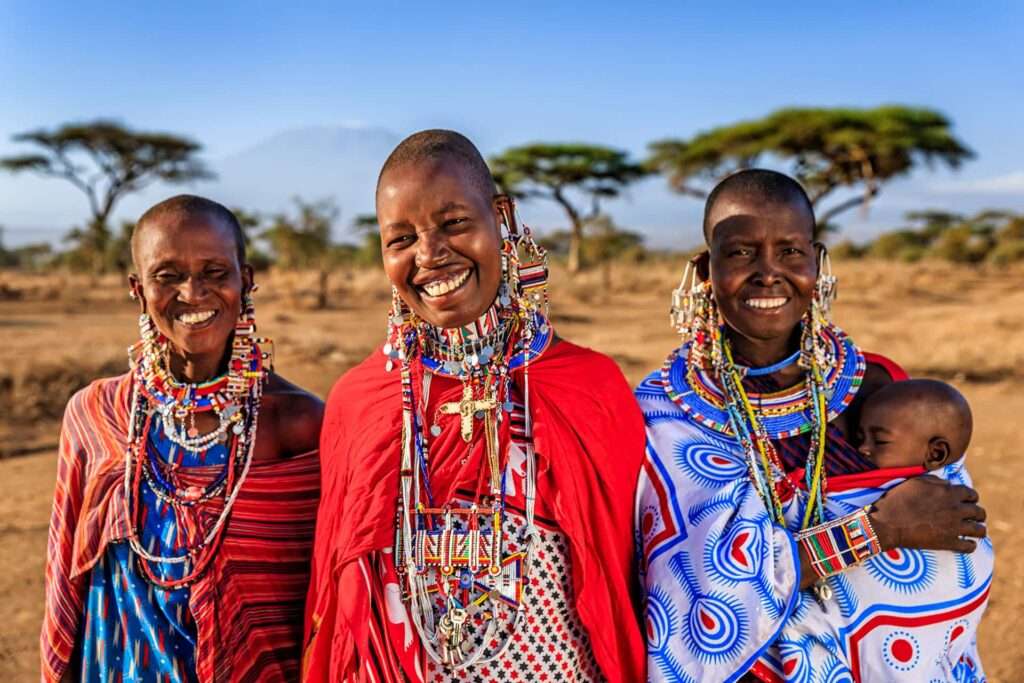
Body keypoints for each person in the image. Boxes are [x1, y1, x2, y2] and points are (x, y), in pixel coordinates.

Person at [303, 130, 646, 683]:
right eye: (401, 239)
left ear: (501, 217)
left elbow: (625, 585)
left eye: (454, 223)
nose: (430, 255)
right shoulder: (358, 403)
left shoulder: (589, 387)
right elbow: (340, 607)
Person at [635, 169, 992, 682]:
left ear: (818, 261)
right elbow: (692, 600)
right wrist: (877, 530)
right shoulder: (664, 412)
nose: (768, 273)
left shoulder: (879, 387)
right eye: (739, 253)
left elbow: (952, 523)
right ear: (704, 269)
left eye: (790, 251)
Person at [41, 195, 324, 682]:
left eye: (215, 271)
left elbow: (327, 601)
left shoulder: (298, 423)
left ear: (246, 279)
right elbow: (67, 583)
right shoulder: (96, 413)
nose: (192, 293)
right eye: (167, 275)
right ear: (138, 288)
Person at [857, 378, 972, 471]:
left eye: (880, 440)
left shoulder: (928, 496)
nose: (862, 448)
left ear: (935, 454)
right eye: (860, 438)